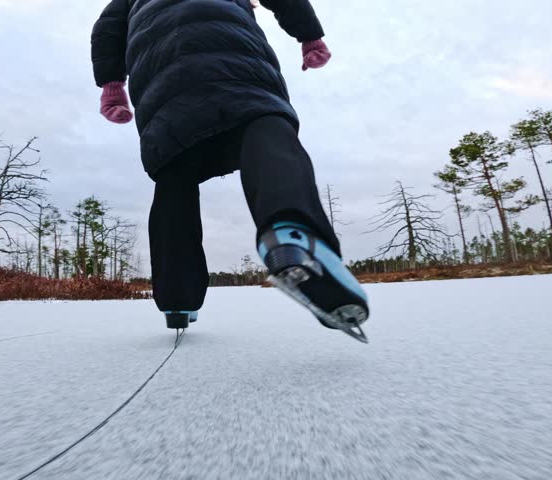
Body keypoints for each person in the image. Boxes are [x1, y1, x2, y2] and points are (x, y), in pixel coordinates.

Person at [91, 0, 369, 341]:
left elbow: (107, 30)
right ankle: (294, 233)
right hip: (237, 58)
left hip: (162, 78)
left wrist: (112, 85)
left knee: (173, 175)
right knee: (267, 132)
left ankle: (177, 295)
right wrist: (309, 36)